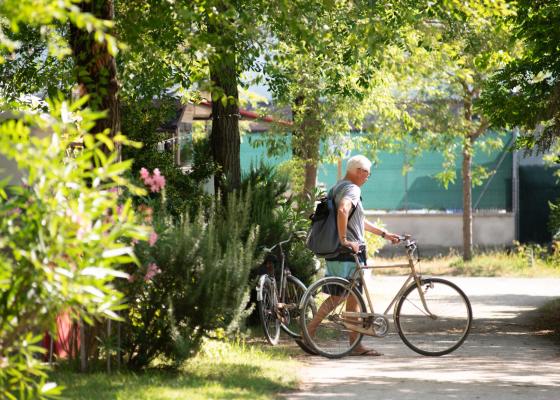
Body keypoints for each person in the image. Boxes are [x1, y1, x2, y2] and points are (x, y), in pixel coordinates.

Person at [306, 154, 400, 356]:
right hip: (347, 251)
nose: (367, 177)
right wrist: (344, 240)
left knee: (349, 298)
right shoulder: (352, 189)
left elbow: (356, 219)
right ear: (359, 171)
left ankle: (353, 344)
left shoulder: (337, 187)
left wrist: (384, 234)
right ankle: (309, 332)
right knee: (339, 297)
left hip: (339, 251)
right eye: (367, 173)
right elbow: (343, 210)